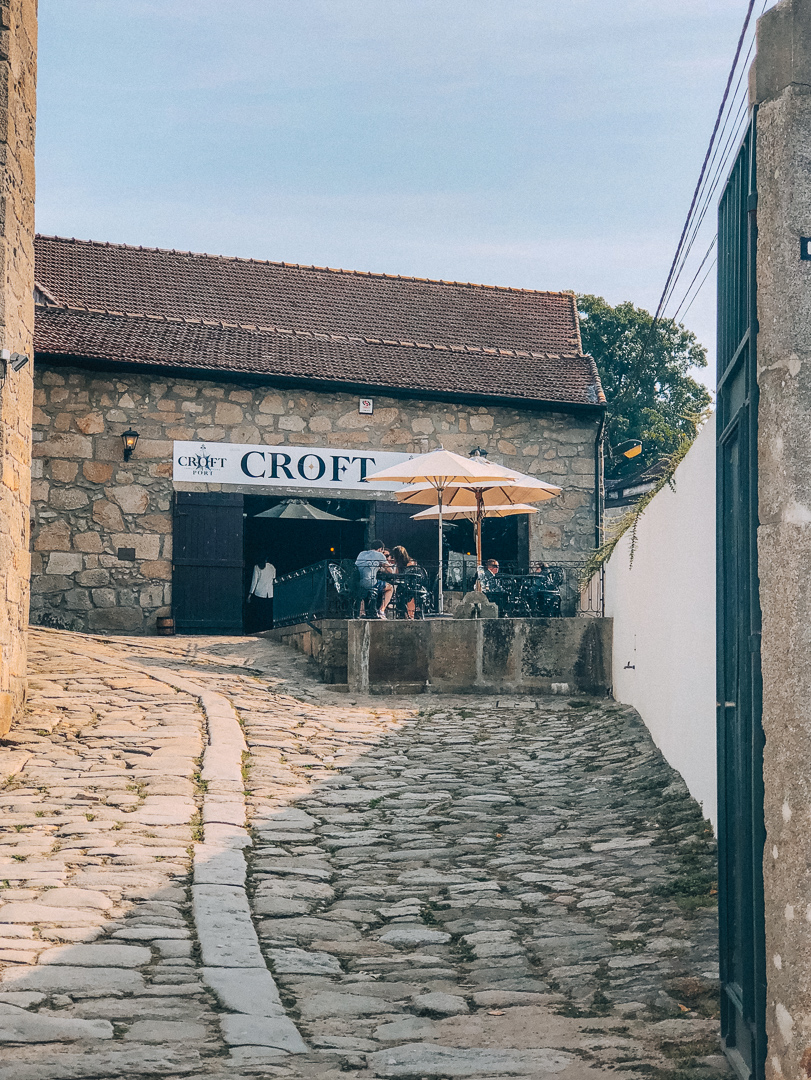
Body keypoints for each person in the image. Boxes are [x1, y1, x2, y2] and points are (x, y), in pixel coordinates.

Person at [355, 540, 394, 619]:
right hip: (370, 582)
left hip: (358, 582)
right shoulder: (379, 555)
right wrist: (383, 566)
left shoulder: (361, 553)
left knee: (364, 590)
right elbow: (391, 571)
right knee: (390, 588)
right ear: (380, 549)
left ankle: (362, 612)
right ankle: (381, 610)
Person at [390, 545, 425, 619]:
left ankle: (403, 611)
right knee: (397, 590)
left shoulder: (410, 563)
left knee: (400, 591)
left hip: (413, 584)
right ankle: (402, 612)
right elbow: (397, 575)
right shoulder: (400, 564)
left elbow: (409, 575)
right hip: (405, 584)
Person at [247, 558, 276, 631]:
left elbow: (254, 581)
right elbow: (274, 579)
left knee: (260, 612)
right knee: (268, 611)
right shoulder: (272, 567)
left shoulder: (256, 567)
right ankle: (268, 627)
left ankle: (260, 627)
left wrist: (250, 594)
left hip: (259, 593)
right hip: (270, 593)